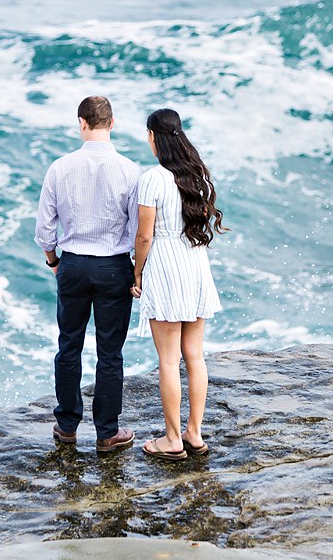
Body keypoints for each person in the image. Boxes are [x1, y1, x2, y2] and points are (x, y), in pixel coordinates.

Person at [34, 95, 141, 453]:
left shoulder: (60, 168)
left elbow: (45, 230)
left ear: (81, 123)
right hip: (113, 266)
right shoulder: (130, 170)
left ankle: (66, 425)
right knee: (110, 353)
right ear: (113, 123)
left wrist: (54, 261)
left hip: (74, 264)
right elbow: (141, 230)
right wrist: (137, 272)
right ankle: (106, 433)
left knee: (69, 346)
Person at [130, 108, 227, 461]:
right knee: (195, 355)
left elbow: (144, 236)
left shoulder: (153, 178)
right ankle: (194, 433)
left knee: (169, 361)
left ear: (153, 136)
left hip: (166, 266)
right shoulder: (196, 175)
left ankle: (172, 439)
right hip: (195, 262)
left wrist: (137, 273)